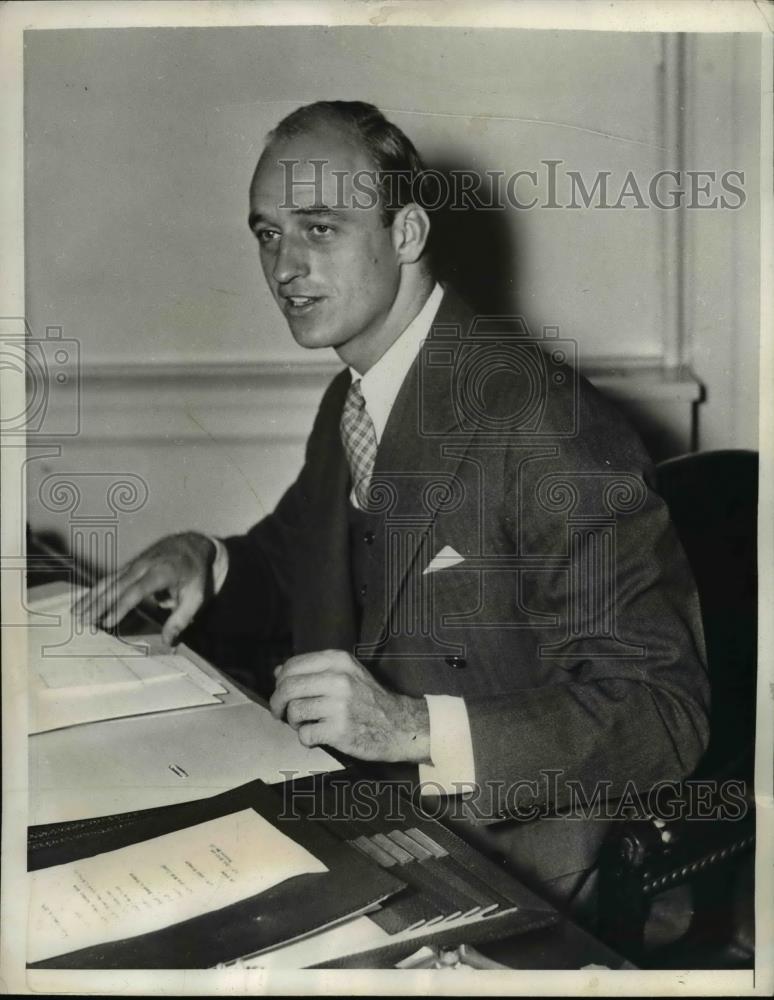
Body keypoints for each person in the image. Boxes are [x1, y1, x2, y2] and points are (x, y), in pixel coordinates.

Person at [75, 100, 710, 920]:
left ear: (406, 234)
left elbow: (665, 710)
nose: (285, 268)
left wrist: (414, 729)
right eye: (268, 234)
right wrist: (206, 558)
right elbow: (308, 560)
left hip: (530, 883)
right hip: (383, 828)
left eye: (320, 229)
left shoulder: (541, 421)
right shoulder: (356, 396)